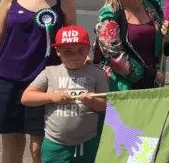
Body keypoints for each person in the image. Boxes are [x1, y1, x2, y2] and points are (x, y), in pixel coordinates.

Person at [0, 0, 77, 163]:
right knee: (11, 145)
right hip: (7, 79)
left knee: (39, 147)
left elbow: (73, 45)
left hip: (46, 84)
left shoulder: (64, 1)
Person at [21, 25, 108, 163]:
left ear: (88, 49)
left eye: (80, 50)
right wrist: (52, 97)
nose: (74, 55)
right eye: (68, 51)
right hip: (55, 143)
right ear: (58, 51)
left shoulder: (96, 73)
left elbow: (106, 106)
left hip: (87, 142)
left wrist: (92, 101)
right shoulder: (50, 72)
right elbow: (26, 98)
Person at [94, 0, 169, 92]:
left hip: (152, 86)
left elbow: (162, 50)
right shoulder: (109, 15)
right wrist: (147, 75)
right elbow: (113, 55)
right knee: (117, 114)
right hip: (119, 89)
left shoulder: (153, 6)